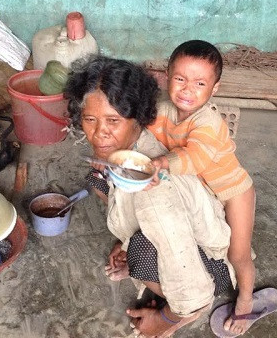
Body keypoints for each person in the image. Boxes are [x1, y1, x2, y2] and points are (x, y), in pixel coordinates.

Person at [64, 56, 235, 337]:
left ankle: (183, 308)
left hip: (208, 269)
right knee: (98, 177)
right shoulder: (125, 154)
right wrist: (122, 241)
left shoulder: (155, 193)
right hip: (173, 231)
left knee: (141, 252)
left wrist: (165, 319)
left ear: (138, 120)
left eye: (113, 121)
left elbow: (193, 289)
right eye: (90, 119)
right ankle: (138, 251)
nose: (99, 133)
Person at [147, 40, 256, 336]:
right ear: (167, 77)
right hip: (202, 192)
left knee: (238, 254)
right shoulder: (163, 110)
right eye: (180, 79)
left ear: (214, 88)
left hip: (233, 192)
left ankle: (246, 300)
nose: (187, 90)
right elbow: (144, 133)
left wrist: (161, 163)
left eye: (199, 83)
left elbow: (195, 157)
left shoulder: (208, 121)